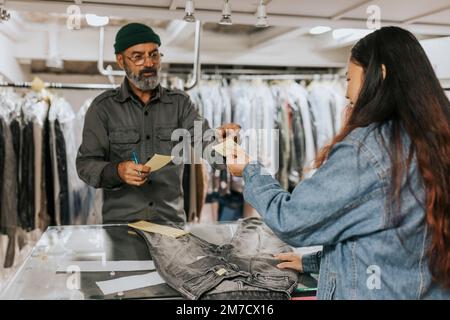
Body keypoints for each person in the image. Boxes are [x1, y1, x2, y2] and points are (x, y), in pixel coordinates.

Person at [226, 26, 450, 299]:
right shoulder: (437, 141)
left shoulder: (368, 150)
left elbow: (291, 219)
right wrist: (313, 262)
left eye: (349, 79)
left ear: (379, 75)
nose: (346, 93)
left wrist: (250, 169)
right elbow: (394, 242)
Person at [76, 23, 239, 224]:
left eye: (154, 55)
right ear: (121, 61)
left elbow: (207, 145)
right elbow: (85, 165)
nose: (149, 63)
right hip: (122, 229)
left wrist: (228, 144)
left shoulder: (180, 104)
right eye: (138, 57)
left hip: (170, 225)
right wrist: (117, 171)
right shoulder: (103, 108)